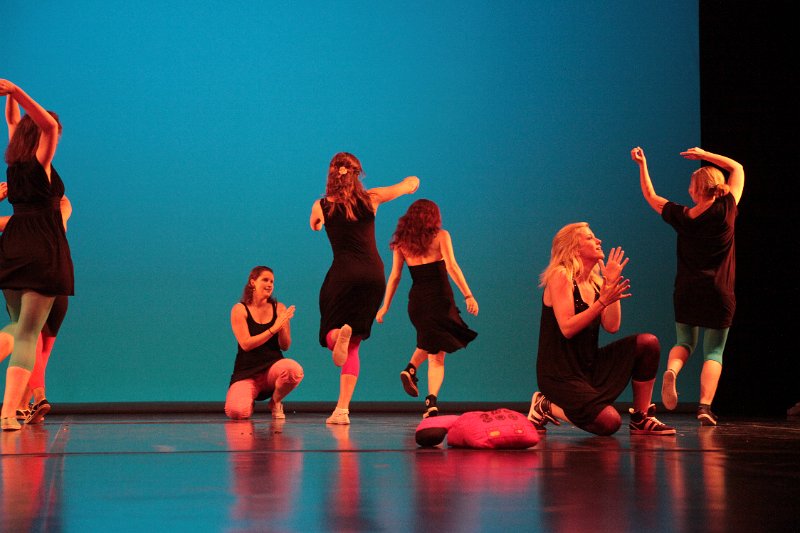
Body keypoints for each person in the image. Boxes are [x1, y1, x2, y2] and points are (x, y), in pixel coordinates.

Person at [631, 146, 744, 426]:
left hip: (687, 290)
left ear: (695, 191)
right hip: (719, 292)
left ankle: (672, 370)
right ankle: (705, 407)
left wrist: (642, 165)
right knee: (714, 351)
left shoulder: (682, 216)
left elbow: (651, 196)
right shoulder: (726, 208)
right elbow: (738, 168)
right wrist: (705, 154)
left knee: (684, 342)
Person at [528, 222, 675, 436]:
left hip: (589, 366)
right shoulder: (561, 275)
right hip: (560, 375)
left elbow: (612, 326)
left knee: (647, 343)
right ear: (573, 248)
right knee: (610, 423)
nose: (598, 241)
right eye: (590, 238)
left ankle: (641, 417)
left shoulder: (596, 282)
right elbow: (567, 328)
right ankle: (545, 405)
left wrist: (610, 283)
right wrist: (602, 302)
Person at [310, 152, 419, 425]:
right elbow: (407, 185)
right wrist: (412, 182)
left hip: (344, 274)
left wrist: (319, 223)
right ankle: (342, 410)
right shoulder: (372, 198)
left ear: (332, 174)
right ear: (356, 175)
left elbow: (314, 225)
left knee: (330, 331)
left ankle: (338, 337)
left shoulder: (321, 205)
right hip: (373, 275)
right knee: (354, 345)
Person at [0, 79, 73, 431]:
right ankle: (7, 413)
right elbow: (47, 125)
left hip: (12, 247)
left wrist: (10, 100)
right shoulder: (40, 163)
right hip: (41, 249)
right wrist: (15, 92)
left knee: (17, 327)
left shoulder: (14, 164)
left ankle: (12, 408)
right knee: (28, 333)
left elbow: (13, 121)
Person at [376, 199, 478, 418]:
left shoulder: (401, 243)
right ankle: (430, 401)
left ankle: (411, 370)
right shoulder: (441, 236)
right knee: (437, 355)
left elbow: (395, 277)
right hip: (440, 301)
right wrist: (468, 295)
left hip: (417, 303)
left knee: (431, 342)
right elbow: (452, 266)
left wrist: (385, 307)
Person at [1, 174, 71, 426]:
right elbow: (66, 204)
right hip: (52, 270)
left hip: (17, 268)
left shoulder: (16, 223)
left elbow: (63, 204)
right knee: (38, 342)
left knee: (25, 334)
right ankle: (26, 402)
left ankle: (28, 401)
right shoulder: (55, 218)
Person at [225, 266, 304, 420]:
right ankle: (247, 400)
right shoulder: (240, 309)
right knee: (237, 411)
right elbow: (246, 344)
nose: (269, 284)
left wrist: (283, 325)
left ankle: (275, 401)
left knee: (293, 370)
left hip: (272, 370)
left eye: (272, 282)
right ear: (252, 282)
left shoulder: (279, 308)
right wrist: (273, 329)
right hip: (247, 373)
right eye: (265, 280)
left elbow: (285, 346)